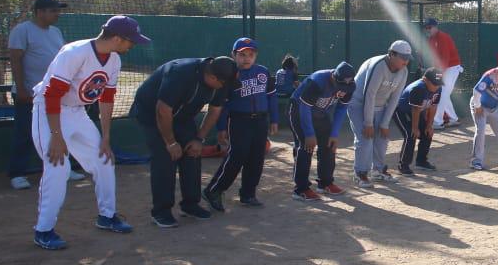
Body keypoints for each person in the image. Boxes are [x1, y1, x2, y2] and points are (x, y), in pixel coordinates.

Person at [30, 15, 149, 250]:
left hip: (78, 112)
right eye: (130, 41)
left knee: (104, 159)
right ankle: (43, 230)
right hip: (48, 112)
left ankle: (107, 216)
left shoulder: (114, 60)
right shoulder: (74, 53)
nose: (132, 45)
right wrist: (56, 136)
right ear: (116, 38)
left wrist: (105, 137)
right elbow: (51, 95)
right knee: (58, 167)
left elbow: (107, 98)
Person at [131, 54, 237, 228]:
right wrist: (171, 143)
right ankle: (161, 211)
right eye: (224, 84)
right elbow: (162, 110)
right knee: (165, 159)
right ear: (212, 77)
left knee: (193, 154)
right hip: (152, 115)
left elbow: (215, 110)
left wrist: (199, 139)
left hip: (183, 117)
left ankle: (190, 204)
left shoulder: (222, 80)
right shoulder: (180, 73)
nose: (226, 88)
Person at [7, 0, 85, 189]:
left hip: (53, 93)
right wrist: (22, 89)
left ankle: (62, 169)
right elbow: (15, 60)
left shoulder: (56, 31)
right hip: (29, 93)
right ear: (39, 12)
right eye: (53, 10)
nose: (57, 14)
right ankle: (17, 174)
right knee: (26, 132)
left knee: (58, 131)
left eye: (58, 10)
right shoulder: (22, 30)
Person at [204, 38, 279, 210]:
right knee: (237, 156)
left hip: (260, 120)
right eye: (242, 55)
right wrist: (221, 127)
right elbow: (222, 105)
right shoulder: (229, 74)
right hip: (239, 120)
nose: (246, 58)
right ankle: (214, 190)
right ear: (233, 55)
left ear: (256, 56)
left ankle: (248, 194)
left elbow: (271, 96)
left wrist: (274, 119)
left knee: (257, 158)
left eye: (250, 55)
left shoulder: (263, 71)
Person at [346, 40, 412, 187]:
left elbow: (395, 98)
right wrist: (368, 123)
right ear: (391, 54)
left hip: (380, 106)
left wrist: (384, 123)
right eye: (402, 57)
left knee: (382, 137)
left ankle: (378, 170)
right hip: (359, 104)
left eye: (408, 58)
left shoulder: (403, 71)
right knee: (365, 138)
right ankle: (360, 174)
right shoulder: (379, 66)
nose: (406, 61)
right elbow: (369, 94)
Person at [288, 61, 356, 201]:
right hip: (299, 110)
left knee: (329, 145)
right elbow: (304, 107)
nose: (342, 89)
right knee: (306, 146)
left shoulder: (350, 86)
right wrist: (309, 134)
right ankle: (301, 189)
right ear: (333, 77)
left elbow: (342, 108)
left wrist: (334, 133)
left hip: (320, 113)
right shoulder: (318, 81)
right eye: (340, 85)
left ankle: (325, 183)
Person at [392, 68, 442, 175]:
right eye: (434, 83)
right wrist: (415, 128)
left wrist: (429, 125)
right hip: (401, 111)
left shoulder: (438, 89)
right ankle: (403, 165)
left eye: (438, 83)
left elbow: (433, 107)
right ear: (425, 79)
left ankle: (421, 162)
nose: (436, 86)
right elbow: (415, 109)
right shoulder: (418, 88)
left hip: (418, 112)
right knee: (411, 134)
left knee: (427, 133)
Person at [423, 17, 463, 129]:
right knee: (444, 94)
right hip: (442, 68)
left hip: (452, 67)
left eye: (430, 27)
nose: (428, 29)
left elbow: (445, 58)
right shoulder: (430, 39)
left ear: (435, 27)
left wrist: (438, 74)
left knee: (441, 94)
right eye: (426, 28)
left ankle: (437, 122)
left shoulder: (443, 37)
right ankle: (454, 119)